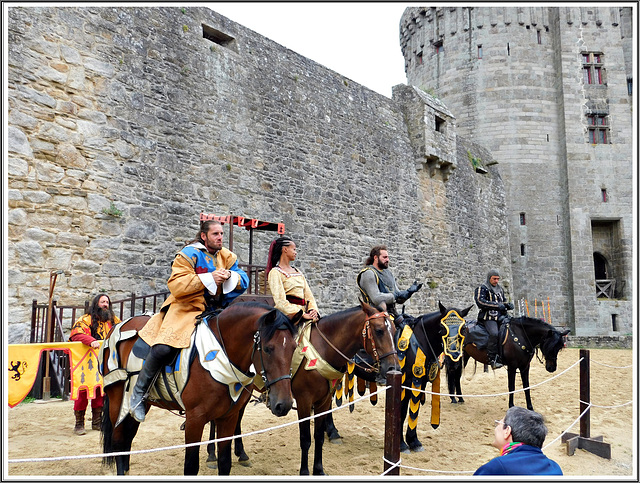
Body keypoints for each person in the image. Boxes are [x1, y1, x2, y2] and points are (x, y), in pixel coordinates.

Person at [130, 219, 249, 423]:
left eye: (221, 234)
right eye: (215, 234)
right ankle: (139, 394)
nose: (220, 237)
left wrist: (229, 275)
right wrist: (210, 278)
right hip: (185, 308)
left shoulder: (226, 256)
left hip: (217, 310)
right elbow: (177, 285)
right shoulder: (188, 254)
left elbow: (243, 279)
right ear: (204, 236)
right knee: (164, 348)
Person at [69, 293, 121, 435]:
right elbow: (76, 334)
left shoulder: (114, 320)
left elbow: (123, 331)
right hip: (86, 363)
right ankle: (79, 424)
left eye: (107, 302)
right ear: (96, 303)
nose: (105, 304)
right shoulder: (85, 319)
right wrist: (90, 340)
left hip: (104, 362)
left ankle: (97, 422)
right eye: (103, 302)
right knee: (83, 392)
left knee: (100, 392)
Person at [474, 406, 563, 475]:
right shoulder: (555, 468)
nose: (495, 428)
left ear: (507, 431)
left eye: (498, 424)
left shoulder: (497, 467)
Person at [356, 245, 422, 321]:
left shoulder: (388, 273)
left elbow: (398, 298)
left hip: (392, 315)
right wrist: (396, 295)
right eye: (384, 257)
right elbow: (376, 299)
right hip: (375, 318)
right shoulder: (368, 273)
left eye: (387, 257)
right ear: (375, 258)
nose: (387, 260)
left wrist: (408, 293)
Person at [266, 235, 319, 322]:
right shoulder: (276, 272)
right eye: (294, 249)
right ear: (285, 249)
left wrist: (313, 310)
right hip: (288, 316)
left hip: (305, 313)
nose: (296, 252)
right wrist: (301, 314)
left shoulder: (298, 272)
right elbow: (280, 302)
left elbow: (309, 296)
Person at [474, 269, 514, 369]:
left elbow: (503, 302)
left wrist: (507, 305)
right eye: (494, 279)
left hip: (501, 316)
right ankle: (492, 359)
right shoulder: (482, 288)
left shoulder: (500, 289)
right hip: (488, 317)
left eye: (498, 279)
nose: (496, 281)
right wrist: (496, 305)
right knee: (494, 334)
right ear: (489, 278)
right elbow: (480, 302)